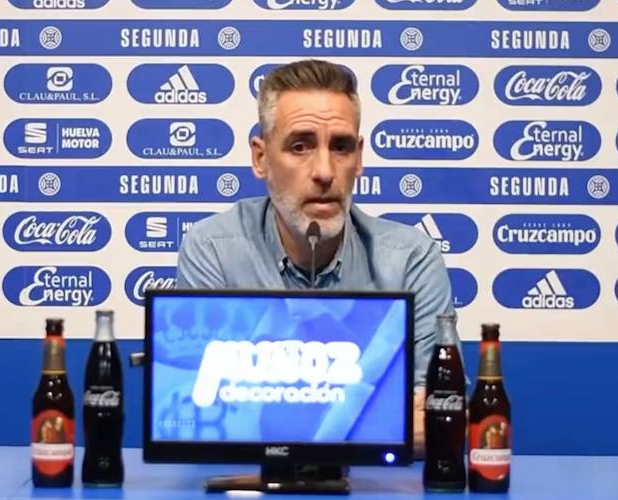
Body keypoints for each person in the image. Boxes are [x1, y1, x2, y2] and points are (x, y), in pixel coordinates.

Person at [176, 59, 464, 457]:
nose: (325, 172)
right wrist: (374, 417)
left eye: (341, 147)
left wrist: (278, 412)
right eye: (300, 145)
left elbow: (439, 420)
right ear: (261, 158)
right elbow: (207, 416)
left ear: (359, 158)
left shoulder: (411, 260)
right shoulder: (214, 250)